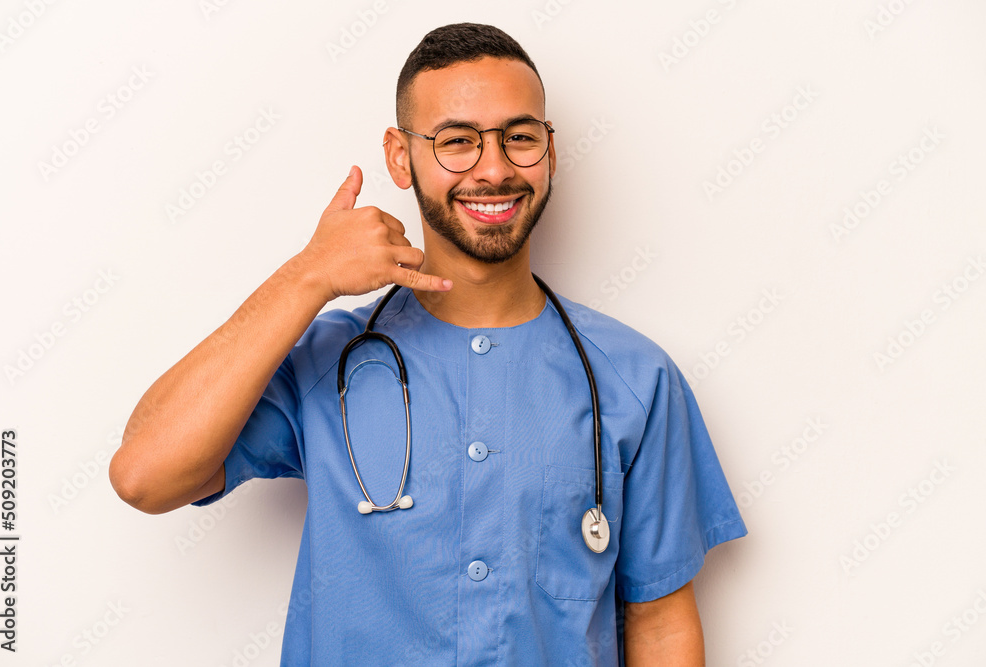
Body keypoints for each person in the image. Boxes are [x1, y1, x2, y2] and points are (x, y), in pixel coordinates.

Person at [110, 22, 747, 666]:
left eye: (520, 138)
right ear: (399, 156)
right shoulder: (327, 361)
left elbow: (661, 624)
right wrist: (308, 275)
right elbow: (144, 476)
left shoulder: (635, 379)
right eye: (457, 141)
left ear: (550, 153)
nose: (494, 169)